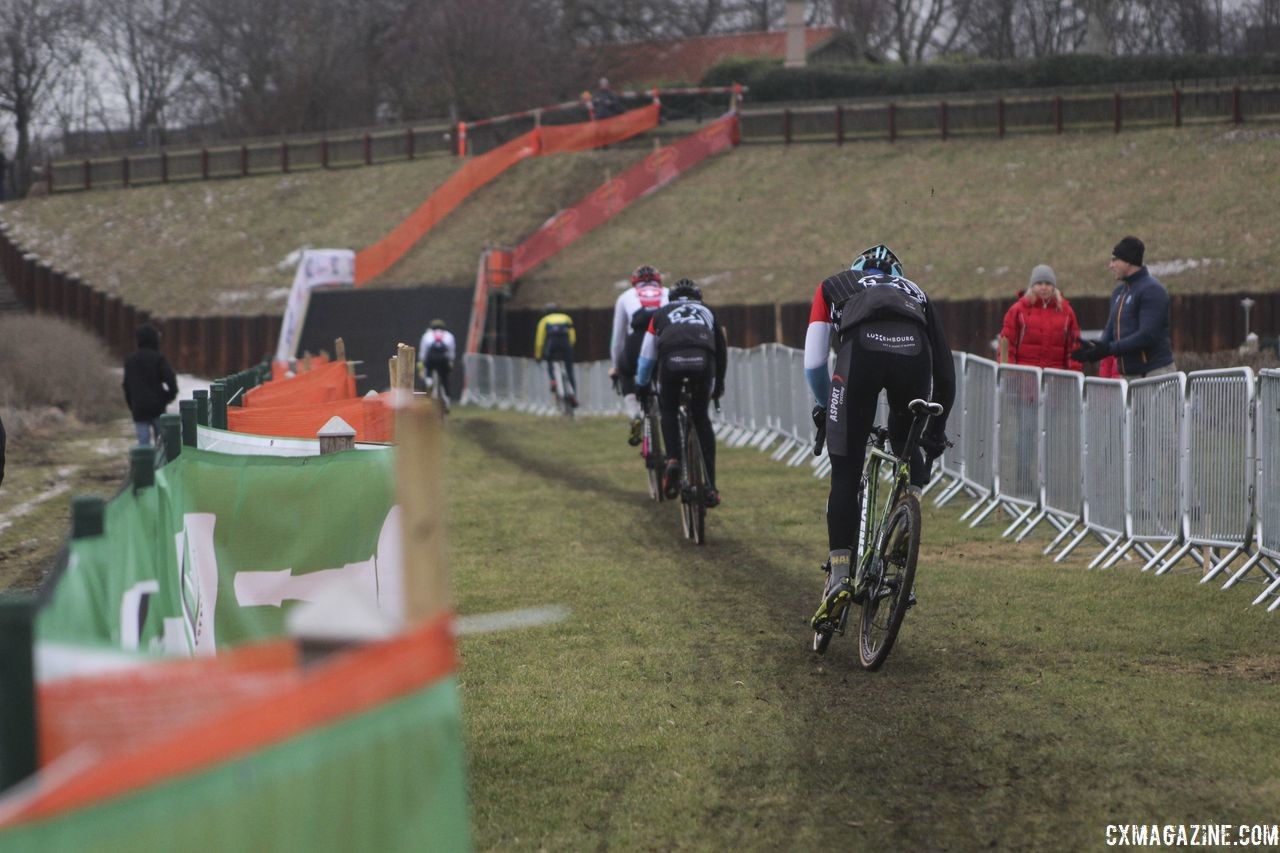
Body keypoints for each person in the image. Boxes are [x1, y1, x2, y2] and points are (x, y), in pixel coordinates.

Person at [804, 245, 955, 626]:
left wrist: (827, 409)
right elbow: (946, 372)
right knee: (908, 445)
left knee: (846, 469)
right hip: (913, 358)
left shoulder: (833, 286)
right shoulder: (915, 291)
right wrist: (935, 432)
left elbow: (813, 364)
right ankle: (909, 511)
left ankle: (840, 574)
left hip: (861, 358)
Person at [635, 278, 728, 508]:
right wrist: (718, 385)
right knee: (700, 417)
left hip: (671, 360)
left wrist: (641, 385)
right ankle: (711, 486)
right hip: (702, 360)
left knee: (668, 410)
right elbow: (721, 351)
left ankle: (674, 458)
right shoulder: (707, 311)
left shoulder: (660, 314)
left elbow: (647, 357)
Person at [1073, 236, 1176, 378]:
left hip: (1154, 374)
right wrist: (1094, 350)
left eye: (1114, 260)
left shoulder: (1152, 290)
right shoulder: (1118, 293)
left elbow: (1147, 336)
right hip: (1128, 376)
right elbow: (1110, 330)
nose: (1110, 265)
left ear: (1128, 262)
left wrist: (1109, 349)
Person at [609, 264, 669, 445]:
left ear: (634, 283)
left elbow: (618, 337)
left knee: (626, 371)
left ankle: (635, 413)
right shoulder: (667, 292)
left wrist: (615, 365)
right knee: (665, 378)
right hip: (663, 338)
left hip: (636, 341)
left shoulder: (626, 296)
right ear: (658, 282)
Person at [998, 265, 1083, 371]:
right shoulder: (1018, 310)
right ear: (1032, 286)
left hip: (1056, 377)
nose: (1044, 287)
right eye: (1039, 283)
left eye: (1048, 283)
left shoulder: (1066, 312)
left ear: (1053, 287)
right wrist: (1008, 372)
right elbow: (1007, 344)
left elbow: (1074, 347)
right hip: (1024, 376)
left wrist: (1074, 374)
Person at [122, 323, 179, 446]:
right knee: (162, 443)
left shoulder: (130, 360)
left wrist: (131, 404)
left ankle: (145, 464)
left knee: (143, 443)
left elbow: (126, 385)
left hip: (139, 407)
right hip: (157, 406)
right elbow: (170, 379)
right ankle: (162, 465)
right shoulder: (158, 358)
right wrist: (169, 397)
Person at [535, 303, 578, 406]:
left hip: (552, 345)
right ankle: (573, 394)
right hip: (565, 344)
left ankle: (553, 380)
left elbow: (539, 341)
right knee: (569, 370)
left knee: (550, 361)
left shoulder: (544, 321)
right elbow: (572, 337)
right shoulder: (566, 318)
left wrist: (538, 356)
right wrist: (570, 348)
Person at [417, 318, 456, 403]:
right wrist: (450, 363)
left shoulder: (427, 335)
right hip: (443, 359)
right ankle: (447, 401)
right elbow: (451, 352)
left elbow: (423, 352)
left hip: (431, 358)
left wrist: (421, 364)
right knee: (445, 380)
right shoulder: (449, 335)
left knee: (427, 374)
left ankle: (429, 381)